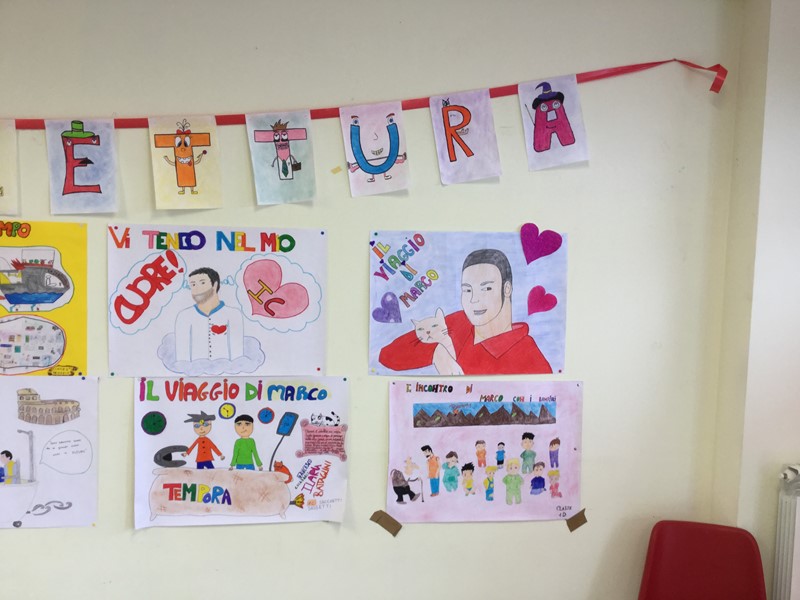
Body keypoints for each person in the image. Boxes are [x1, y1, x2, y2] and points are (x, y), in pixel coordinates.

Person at [378, 249, 552, 374]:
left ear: (506, 289)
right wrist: (437, 352)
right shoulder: (460, 322)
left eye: (486, 288)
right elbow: (388, 355)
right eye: (467, 290)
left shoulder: (530, 358)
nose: (473, 299)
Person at [175, 267, 245, 362]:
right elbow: (181, 358)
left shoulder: (233, 314)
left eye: (202, 283)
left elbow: (238, 356)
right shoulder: (184, 316)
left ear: (215, 285)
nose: (197, 289)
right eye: (193, 285)